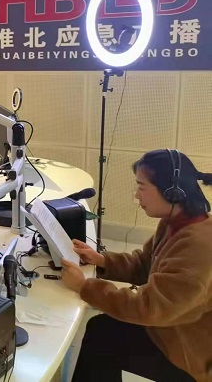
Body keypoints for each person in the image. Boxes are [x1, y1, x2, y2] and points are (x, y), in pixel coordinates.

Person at [61, 149, 212, 382]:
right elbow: (145, 264)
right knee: (101, 330)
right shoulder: (176, 222)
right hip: (171, 327)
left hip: (187, 353)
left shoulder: (197, 246)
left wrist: (85, 287)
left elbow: (149, 307)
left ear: (171, 191)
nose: (136, 196)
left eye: (142, 187)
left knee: (102, 336)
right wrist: (102, 260)